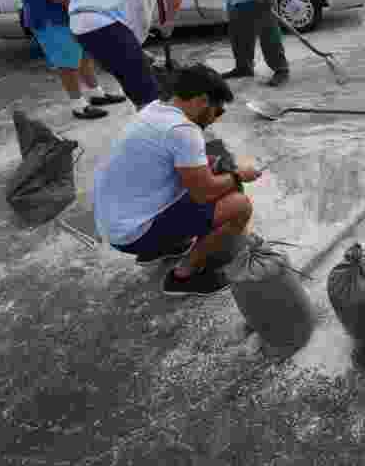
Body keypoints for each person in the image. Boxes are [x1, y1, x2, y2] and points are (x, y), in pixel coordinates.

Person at [94, 64, 262, 297]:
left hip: (116, 222)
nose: (215, 119)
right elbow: (204, 193)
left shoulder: (155, 110)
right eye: (218, 111)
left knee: (213, 174)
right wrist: (238, 176)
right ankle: (183, 276)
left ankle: (163, 247)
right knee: (239, 205)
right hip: (132, 232)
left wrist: (215, 166)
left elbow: (178, 162)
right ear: (202, 101)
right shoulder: (182, 130)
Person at [69, 0, 183, 110]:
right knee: (148, 96)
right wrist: (169, 22)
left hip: (79, 27)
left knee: (135, 86)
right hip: (103, 23)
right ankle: (158, 128)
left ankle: (150, 123)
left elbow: (124, 38)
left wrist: (143, 55)